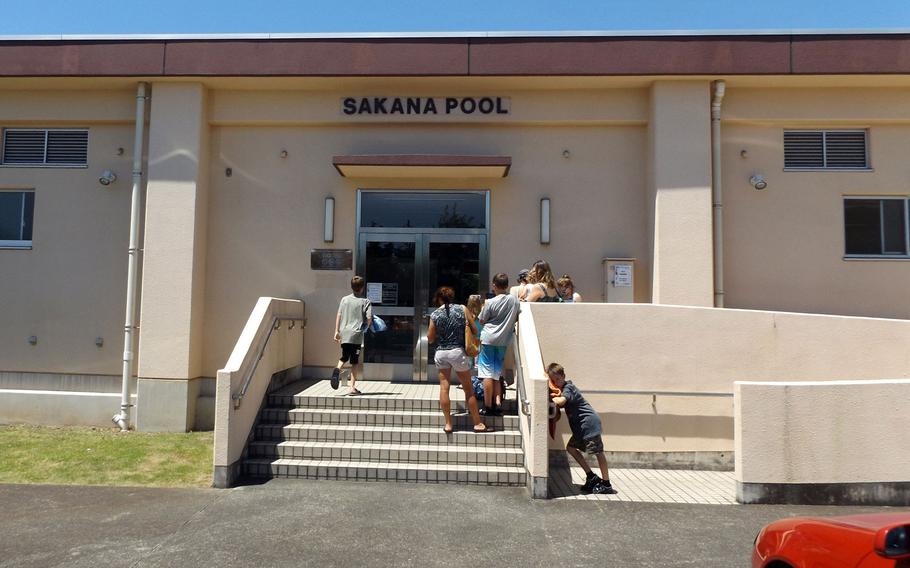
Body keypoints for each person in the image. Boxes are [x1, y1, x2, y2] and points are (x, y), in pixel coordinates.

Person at [427, 286, 492, 434]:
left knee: (444, 387)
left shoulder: (435, 314)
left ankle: (448, 424)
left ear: (439, 298)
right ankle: (477, 424)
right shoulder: (462, 308)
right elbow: (475, 330)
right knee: (468, 389)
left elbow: (430, 339)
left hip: (441, 353)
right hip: (457, 352)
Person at [547, 362, 617, 495]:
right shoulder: (561, 390)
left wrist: (547, 400)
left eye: (558, 379)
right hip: (581, 428)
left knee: (598, 452)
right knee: (571, 448)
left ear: (564, 376)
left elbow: (562, 401)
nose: (556, 383)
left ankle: (606, 483)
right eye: (553, 381)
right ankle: (591, 476)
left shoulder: (569, 388)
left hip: (589, 424)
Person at [478, 273, 520, 415]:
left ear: (494, 285)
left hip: (488, 339)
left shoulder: (490, 302)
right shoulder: (514, 301)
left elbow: (482, 320)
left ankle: (488, 406)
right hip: (503, 341)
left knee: (487, 374)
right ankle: (497, 403)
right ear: (507, 285)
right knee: (497, 373)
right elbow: (517, 315)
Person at [332, 275, 373, 395]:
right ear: (362, 288)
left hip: (344, 333)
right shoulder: (365, 301)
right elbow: (369, 318)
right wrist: (367, 326)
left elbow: (339, 315)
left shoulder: (344, 299)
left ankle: (337, 369)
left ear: (351, 286)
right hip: (356, 335)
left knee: (344, 356)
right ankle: (352, 388)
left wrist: (336, 331)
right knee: (354, 361)